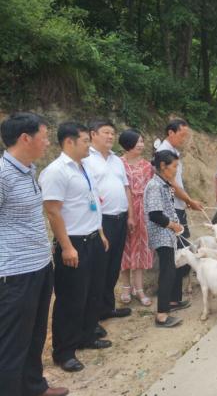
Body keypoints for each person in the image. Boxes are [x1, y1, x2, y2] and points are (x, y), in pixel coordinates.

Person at [0, 113, 69, 396]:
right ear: (25, 138)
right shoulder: (2, 174)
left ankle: (34, 386)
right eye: (44, 135)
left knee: (35, 334)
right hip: (15, 273)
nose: (47, 141)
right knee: (12, 342)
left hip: (39, 265)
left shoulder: (28, 170)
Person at [39, 122, 110, 373]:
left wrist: (100, 232)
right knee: (71, 298)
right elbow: (53, 211)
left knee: (92, 292)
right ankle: (64, 351)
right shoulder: (56, 171)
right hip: (73, 243)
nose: (88, 145)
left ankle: (87, 335)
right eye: (84, 140)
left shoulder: (83, 167)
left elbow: (91, 202)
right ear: (69, 142)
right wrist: (67, 247)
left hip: (92, 239)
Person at [83, 120, 133, 323]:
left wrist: (130, 215)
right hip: (101, 221)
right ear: (93, 134)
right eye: (106, 132)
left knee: (113, 267)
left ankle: (107, 308)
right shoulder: (86, 159)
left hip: (120, 219)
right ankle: (93, 317)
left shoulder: (117, 160)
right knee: (99, 269)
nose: (111, 136)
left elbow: (126, 188)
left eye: (113, 133)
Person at [156, 117, 203, 312]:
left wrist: (187, 201)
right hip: (172, 211)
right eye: (182, 135)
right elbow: (173, 185)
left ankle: (175, 297)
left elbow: (178, 184)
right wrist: (189, 201)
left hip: (179, 207)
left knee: (180, 250)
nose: (184, 139)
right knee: (174, 255)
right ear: (171, 133)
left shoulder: (173, 152)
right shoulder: (163, 155)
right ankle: (168, 302)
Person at [144, 150, 185, 328]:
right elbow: (155, 215)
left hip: (167, 233)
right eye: (174, 166)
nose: (176, 170)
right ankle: (161, 315)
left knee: (170, 271)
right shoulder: (154, 186)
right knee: (167, 272)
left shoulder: (163, 184)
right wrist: (173, 225)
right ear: (163, 166)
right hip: (161, 234)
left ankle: (169, 305)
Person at [119, 129, 154, 306]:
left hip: (143, 211)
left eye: (142, 141)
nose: (141, 145)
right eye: (138, 142)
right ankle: (126, 286)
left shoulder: (148, 166)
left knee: (141, 248)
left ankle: (139, 288)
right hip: (124, 209)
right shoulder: (117, 164)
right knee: (124, 247)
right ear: (128, 144)